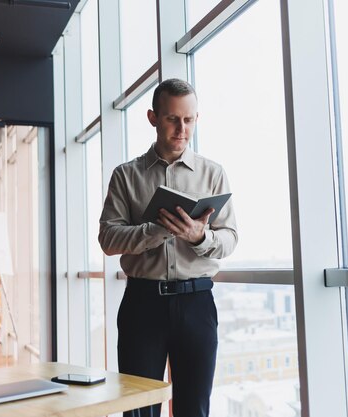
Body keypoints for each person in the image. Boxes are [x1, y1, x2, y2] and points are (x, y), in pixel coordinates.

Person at [99, 78, 238, 417]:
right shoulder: (126, 176)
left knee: (194, 409)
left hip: (197, 304)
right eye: (172, 119)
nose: (181, 129)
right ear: (153, 118)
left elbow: (230, 238)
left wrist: (199, 238)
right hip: (142, 304)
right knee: (139, 409)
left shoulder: (213, 173)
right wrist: (157, 230)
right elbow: (108, 239)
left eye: (188, 120)